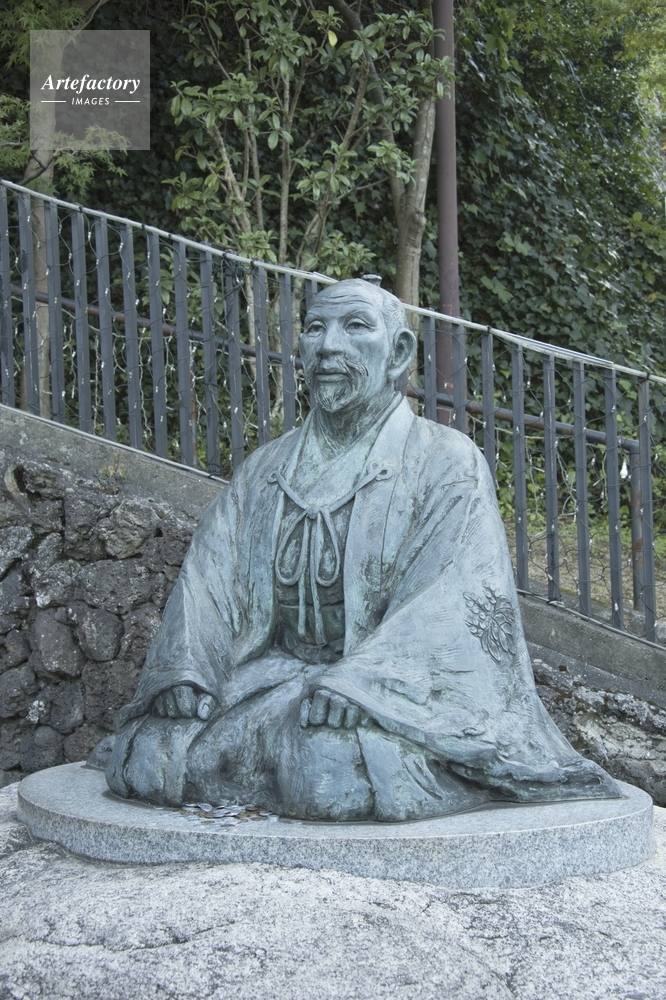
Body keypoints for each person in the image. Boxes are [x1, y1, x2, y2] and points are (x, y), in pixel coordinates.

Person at [103, 278, 619, 820]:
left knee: (325, 775)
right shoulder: (264, 469)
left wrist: (364, 684)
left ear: (398, 352)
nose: (329, 346)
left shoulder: (446, 461)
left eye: (355, 327)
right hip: (270, 677)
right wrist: (188, 671)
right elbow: (208, 580)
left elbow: (451, 597)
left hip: (389, 694)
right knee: (148, 758)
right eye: (315, 328)